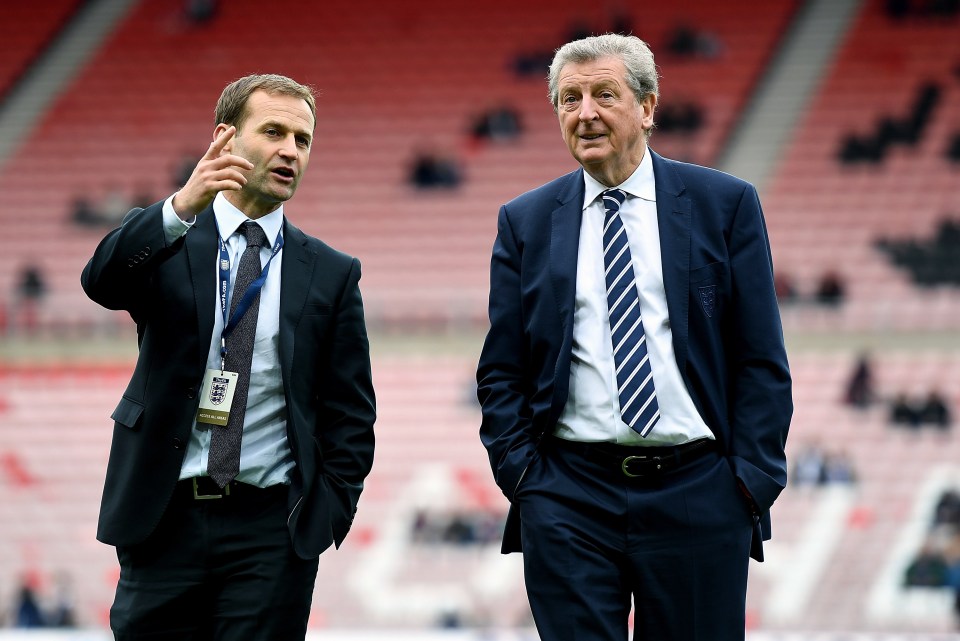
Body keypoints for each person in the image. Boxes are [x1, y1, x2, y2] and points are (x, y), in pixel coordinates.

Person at [476, 34, 791, 641]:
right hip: (568, 493)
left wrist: (747, 483)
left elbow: (760, 358)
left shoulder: (723, 204)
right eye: (569, 99)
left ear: (647, 108)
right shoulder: (525, 221)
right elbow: (502, 367)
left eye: (604, 95)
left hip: (699, 489)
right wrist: (525, 479)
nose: (584, 112)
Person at [81, 74, 376, 640]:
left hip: (270, 530)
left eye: (302, 139)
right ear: (225, 138)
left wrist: (322, 516)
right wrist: (179, 205)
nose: (290, 150)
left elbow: (351, 413)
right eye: (272, 131)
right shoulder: (171, 239)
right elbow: (101, 282)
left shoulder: (333, 273)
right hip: (163, 517)